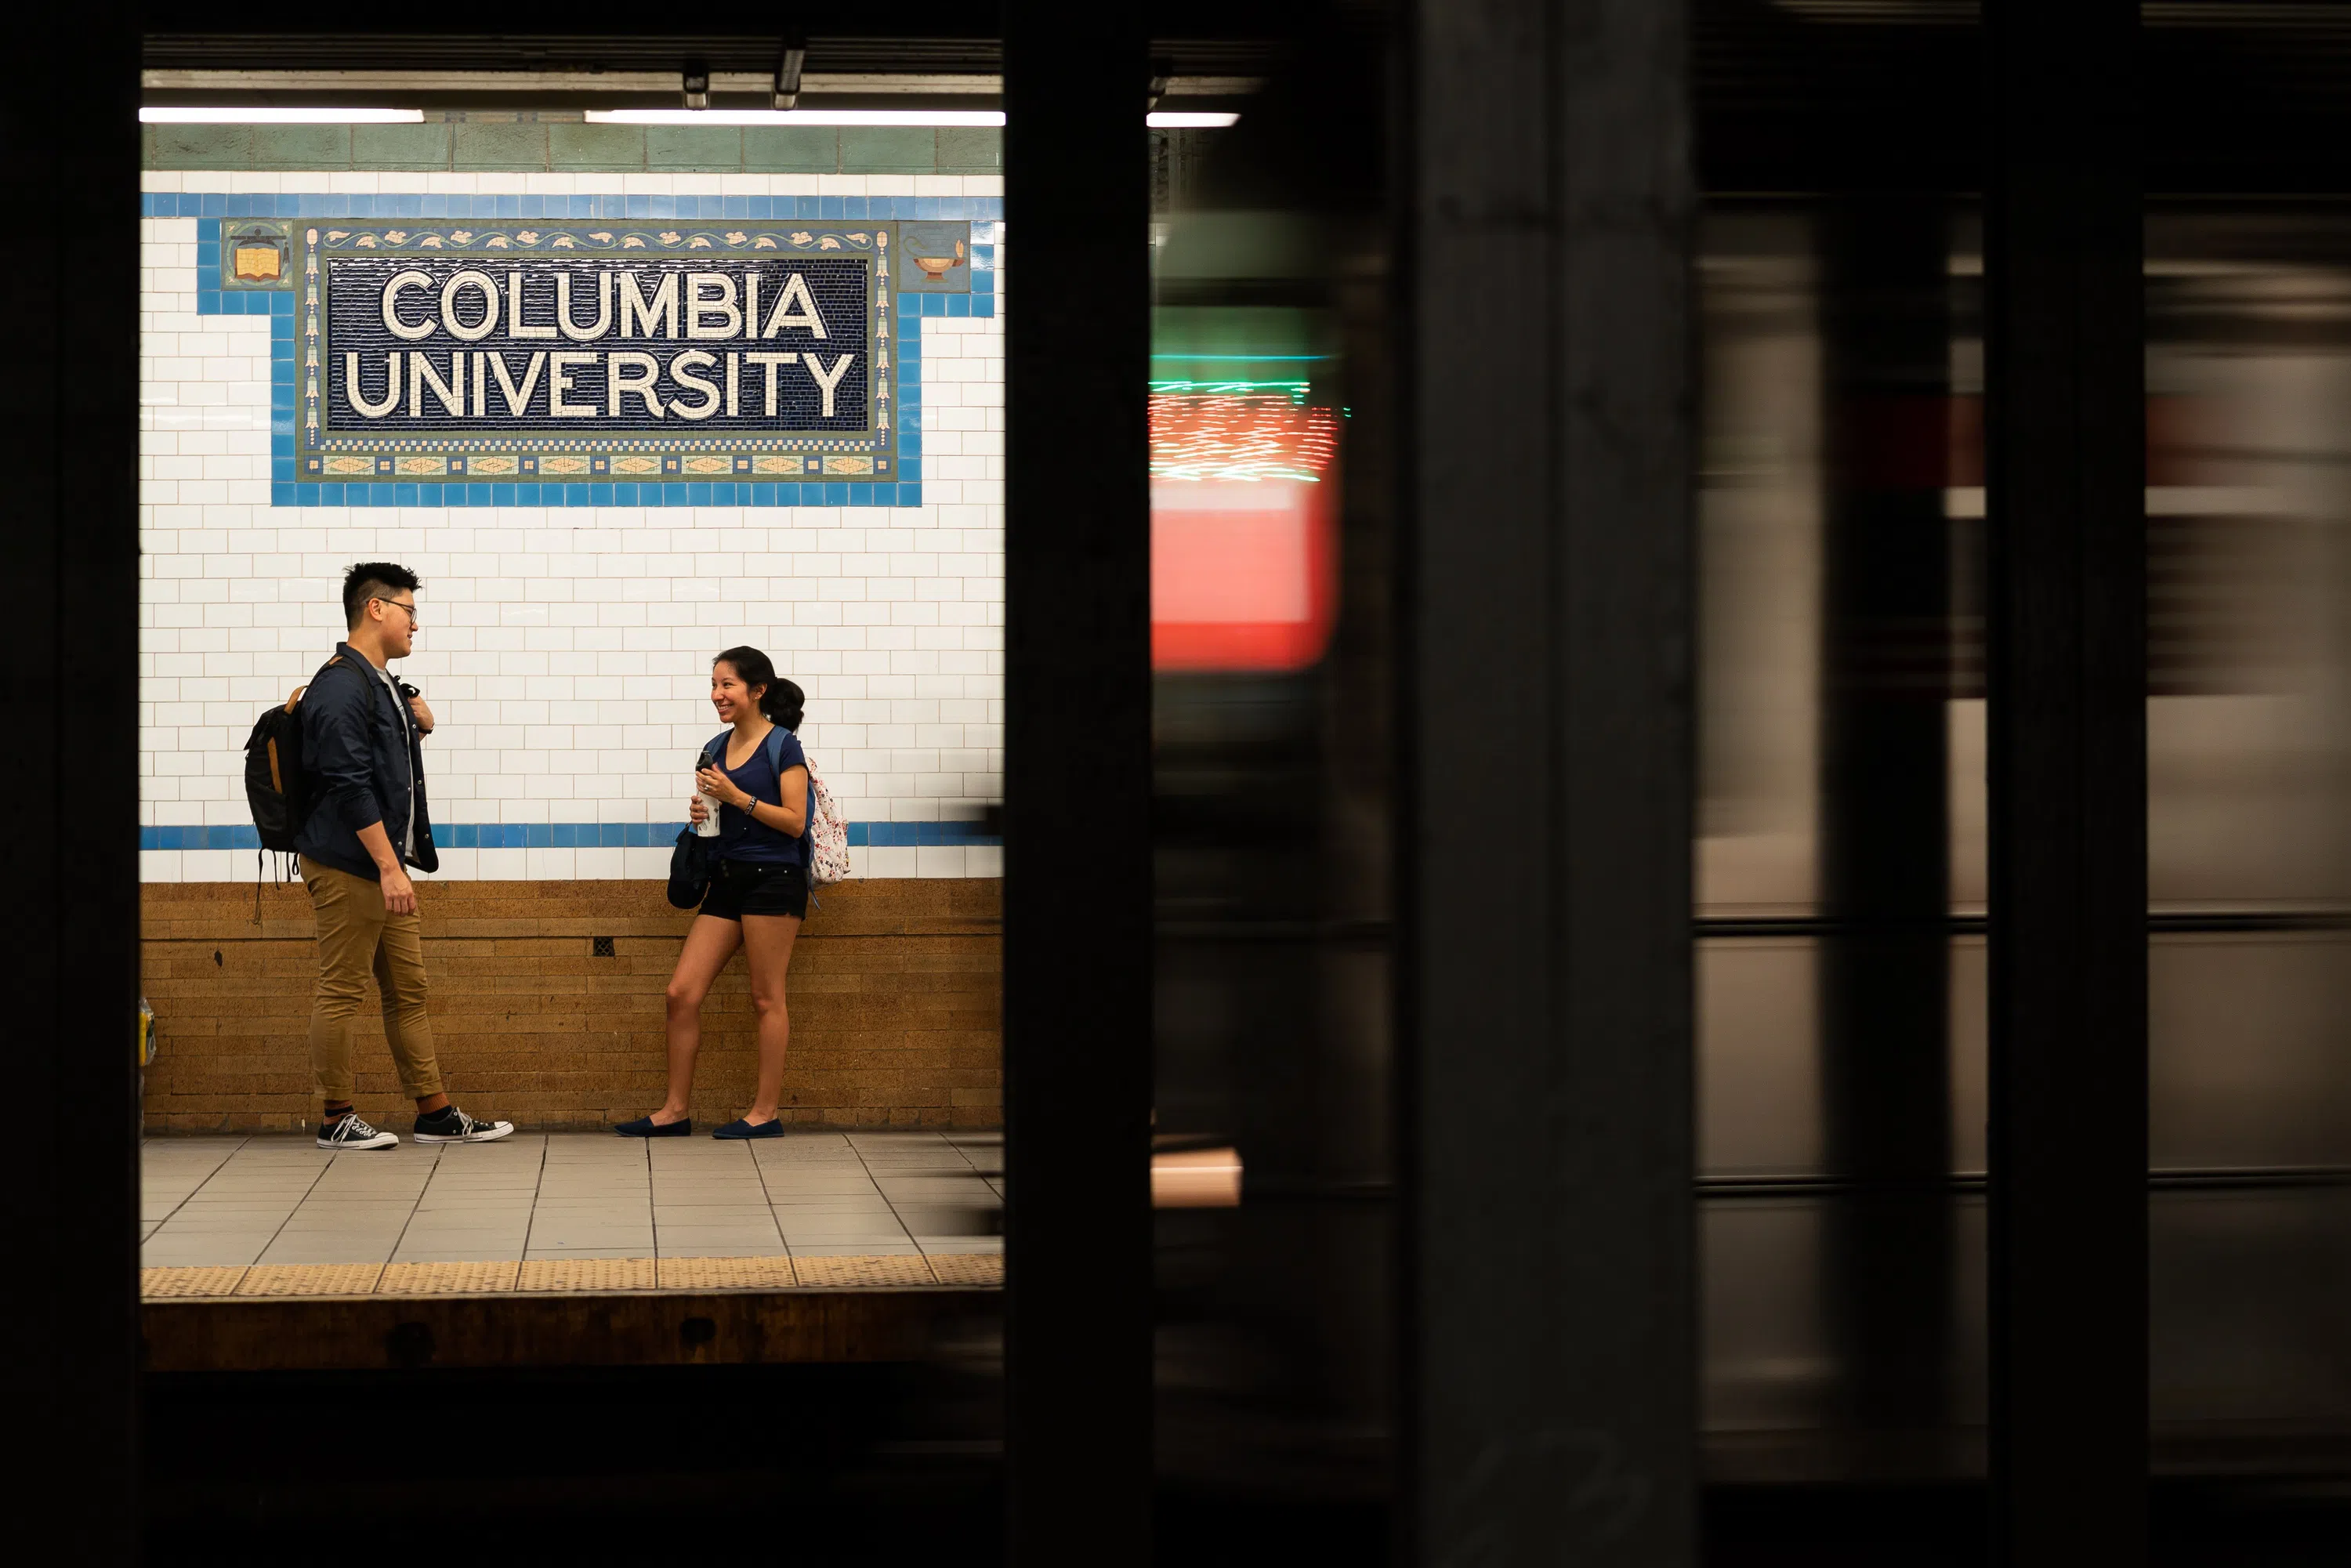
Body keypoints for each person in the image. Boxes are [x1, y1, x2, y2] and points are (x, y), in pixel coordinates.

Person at [295, 563, 513, 1151]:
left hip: (380, 863)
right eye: (409, 611)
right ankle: (335, 1116)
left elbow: (384, 762)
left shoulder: (380, 682)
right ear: (376, 609)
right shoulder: (341, 682)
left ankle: (434, 1111)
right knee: (342, 989)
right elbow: (347, 779)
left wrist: (418, 719)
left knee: (408, 990)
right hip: (349, 862)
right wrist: (390, 865)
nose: (416, 623)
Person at [617, 647, 812, 1140]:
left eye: (727, 685)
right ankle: (674, 1111)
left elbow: (794, 822)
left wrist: (736, 798)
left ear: (757, 691)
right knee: (681, 993)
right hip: (727, 876)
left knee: (766, 998)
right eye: (714, 684)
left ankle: (765, 1114)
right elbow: (720, 816)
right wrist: (703, 815)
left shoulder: (784, 746)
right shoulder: (715, 746)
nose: (717, 694)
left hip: (775, 876)